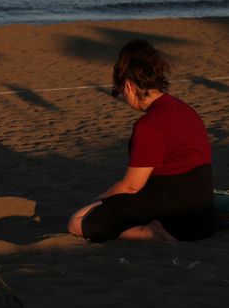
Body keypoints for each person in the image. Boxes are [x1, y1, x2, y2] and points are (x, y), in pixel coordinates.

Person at [68, 40, 214, 242]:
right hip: (203, 211)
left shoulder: (148, 125)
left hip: (176, 213)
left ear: (128, 86)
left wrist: (99, 200)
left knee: (78, 221)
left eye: (121, 91)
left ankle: (152, 233)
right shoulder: (184, 109)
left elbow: (132, 186)